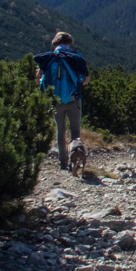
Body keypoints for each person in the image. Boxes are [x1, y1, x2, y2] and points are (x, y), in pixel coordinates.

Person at [34, 31, 90, 170]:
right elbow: (86, 79)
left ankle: (62, 163)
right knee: (75, 131)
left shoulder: (46, 59)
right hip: (73, 100)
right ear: (69, 43)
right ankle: (75, 155)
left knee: (60, 131)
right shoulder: (76, 58)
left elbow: (38, 79)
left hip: (56, 101)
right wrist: (75, 86)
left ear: (55, 43)